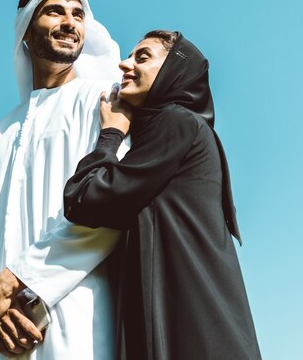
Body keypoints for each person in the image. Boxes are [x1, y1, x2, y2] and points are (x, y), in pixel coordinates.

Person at [0, 0, 128, 359]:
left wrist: (16, 282)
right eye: (55, 12)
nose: (69, 22)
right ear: (25, 34)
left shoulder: (104, 101)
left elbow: (112, 202)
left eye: (77, 15)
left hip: (75, 313)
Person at [63, 31, 262, 359]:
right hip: (196, 321)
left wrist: (110, 134)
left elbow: (85, 200)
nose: (123, 64)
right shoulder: (179, 128)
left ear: (174, 71)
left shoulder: (175, 122)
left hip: (191, 326)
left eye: (142, 57)